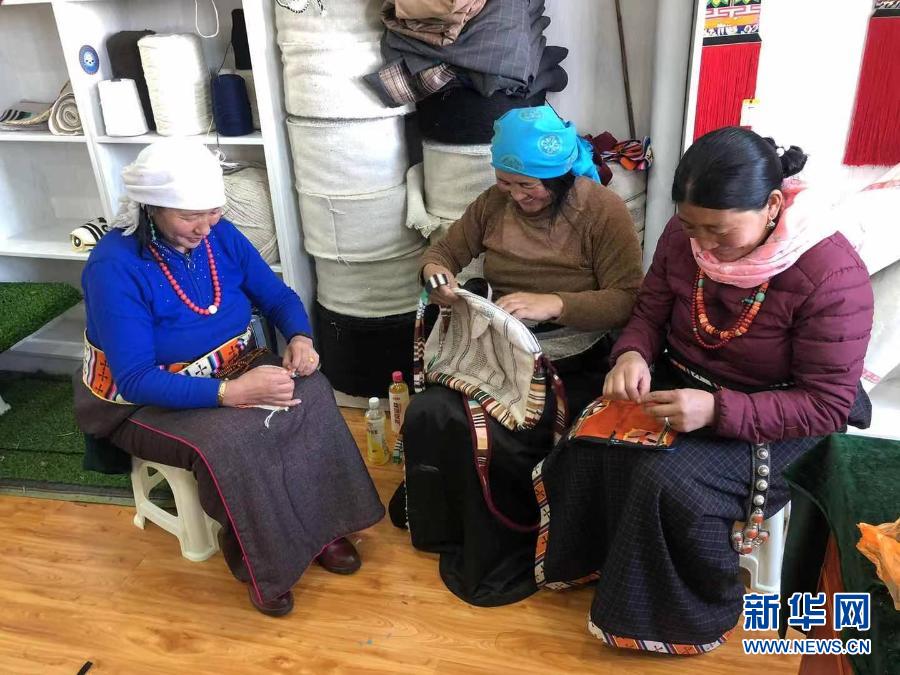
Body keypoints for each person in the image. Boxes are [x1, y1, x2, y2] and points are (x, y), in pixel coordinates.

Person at [534, 127, 874, 654]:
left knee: (667, 481)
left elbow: (826, 405)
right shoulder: (683, 237)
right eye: (692, 226)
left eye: (719, 230)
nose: (704, 244)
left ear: (773, 205)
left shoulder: (831, 273)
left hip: (784, 414)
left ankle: (676, 616)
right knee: (593, 440)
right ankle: (607, 564)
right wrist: (632, 353)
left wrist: (718, 410)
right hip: (687, 382)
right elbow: (650, 311)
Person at [74, 140, 384, 617]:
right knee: (233, 439)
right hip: (140, 401)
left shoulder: (220, 234)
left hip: (233, 363)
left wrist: (300, 338)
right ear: (151, 207)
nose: (205, 227)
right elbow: (135, 378)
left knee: (312, 393)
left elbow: (277, 297)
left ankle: (324, 528)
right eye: (189, 217)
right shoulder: (114, 266)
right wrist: (231, 393)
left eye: (213, 212)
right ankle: (267, 566)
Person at [392, 105, 644, 607]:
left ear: (560, 177)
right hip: (499, 347)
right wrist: (437, 278)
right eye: (505, 182)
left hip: (569, 358)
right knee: (433, 411)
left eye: (527, 186)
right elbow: (442, 254)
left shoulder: (602, 211)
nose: (515, 195)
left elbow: (628, 298)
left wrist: (555, 304)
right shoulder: (493, 204)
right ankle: (447, 528)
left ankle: (501, 543)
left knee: (496, 431)